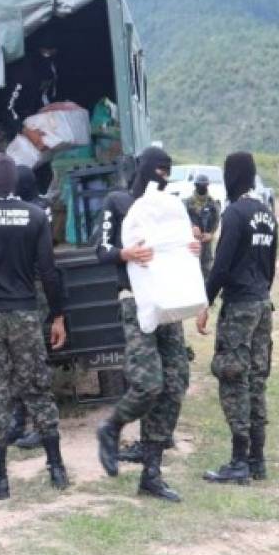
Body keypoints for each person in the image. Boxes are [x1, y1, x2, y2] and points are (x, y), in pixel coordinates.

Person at [0, 153, 68, 500]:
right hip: (25, 314)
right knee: (37, 386)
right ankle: (56, 466)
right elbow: (48, 271)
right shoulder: (35, 217)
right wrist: (59, 315)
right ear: (16, 184)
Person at [95, 146, 200, 503]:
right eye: (158, 170)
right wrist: (126, 254)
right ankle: (111, 426)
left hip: (168, 301)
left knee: (175, 383)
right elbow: (102, 250)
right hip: (135, 300)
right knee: (147, 384)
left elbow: (182, 249)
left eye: (168, 171)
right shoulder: (118, 201)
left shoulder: (170, 207)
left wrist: (193, 248)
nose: (163, 177)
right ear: (144, 169)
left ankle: (151, 472)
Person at [196, 153, 277, 485]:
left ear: (232, 177)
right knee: (256, 380)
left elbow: (221, 265)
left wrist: (205, 303)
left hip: (240, 307)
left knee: (233, 377)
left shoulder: (234, 213)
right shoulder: (267, 214)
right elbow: (270, 266)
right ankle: (257, 460)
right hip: (262, 304)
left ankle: (238, 462)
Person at [4, 165, 52, 451]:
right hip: (27, 288)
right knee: (21, 358)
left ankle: (34, 423)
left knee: (32, 359)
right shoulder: (39, 207)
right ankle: (20, 419)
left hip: (32, 288)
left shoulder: (27, 213)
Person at [184, 173, 221, 281]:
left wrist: (211, 234)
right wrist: (191, 228)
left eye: (204, 185)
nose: (202, 188)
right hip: (191, 242)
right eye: (199, 185)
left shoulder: (212, 203)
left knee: (207, 270)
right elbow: (181, 220)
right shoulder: (187, 203)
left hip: (206, 243)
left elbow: (216, 221)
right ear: (195, 185)